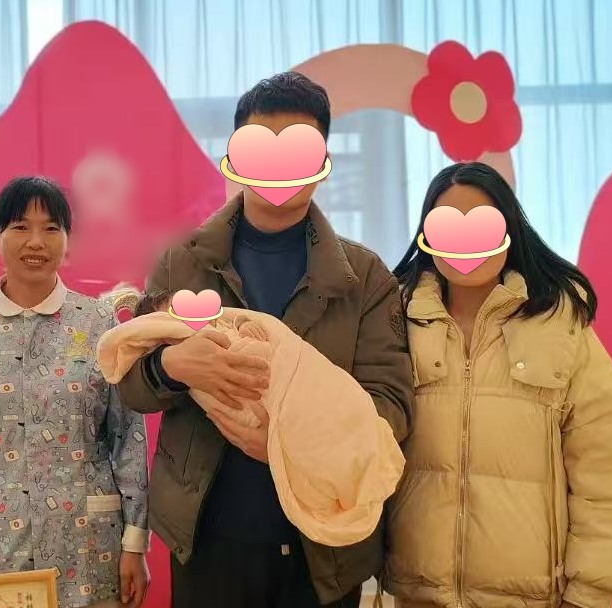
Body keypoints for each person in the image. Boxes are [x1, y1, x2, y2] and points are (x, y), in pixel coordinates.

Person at [117, 71, 414, 608]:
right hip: (207, 542)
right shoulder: (182, 262)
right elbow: (133, 385)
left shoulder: (365, 278)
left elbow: (391, 409)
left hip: (322, 552)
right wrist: (173, 367)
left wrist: (291, 439)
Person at [385, 162, 612, 608]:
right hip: (419, 593)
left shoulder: (561, 325)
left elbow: (604, 471)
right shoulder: (394, 321)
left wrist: (590, 593)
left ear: (509, 231)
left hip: (531, 598)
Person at [0, 177, 151, 608]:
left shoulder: (98, 322)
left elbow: (127, 436)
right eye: (20, 226)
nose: (36, 241)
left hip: (89, 546)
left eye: (51, 228)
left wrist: (135, 542)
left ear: (68, 239)